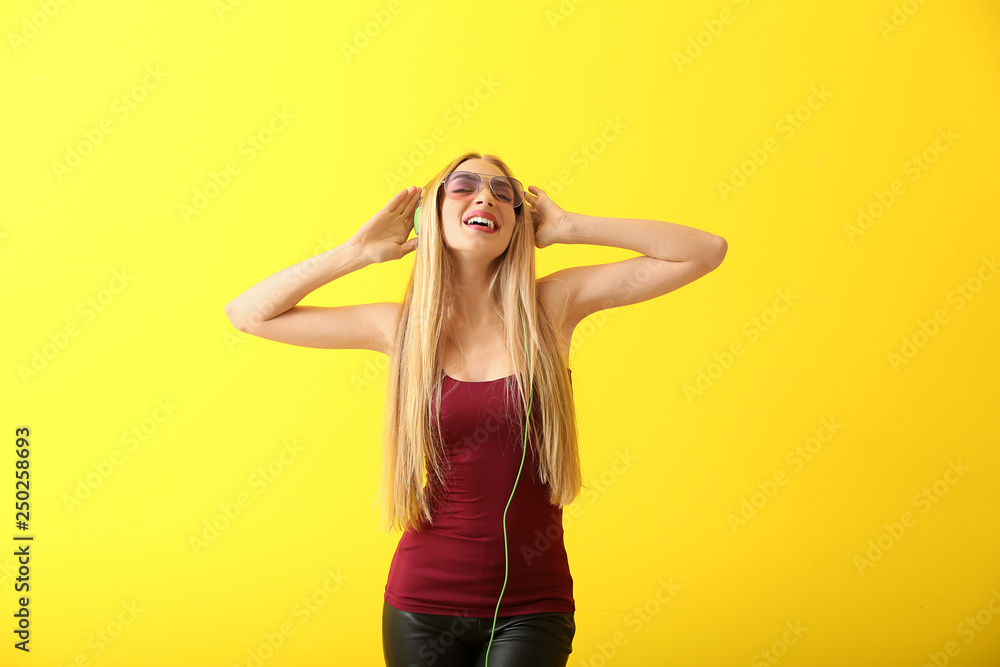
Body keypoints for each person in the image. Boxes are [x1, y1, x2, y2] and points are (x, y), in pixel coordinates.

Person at [224, 151, 727, 666]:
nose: (486, 196)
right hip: (422, 604)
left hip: (533, 606)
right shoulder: (400, 329)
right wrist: (356, 253)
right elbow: (247, 314)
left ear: (517, 224)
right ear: (430, 214)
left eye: (503, 192)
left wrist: (572, 227)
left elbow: (704, 251)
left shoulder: (552, 307)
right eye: (463, 186)